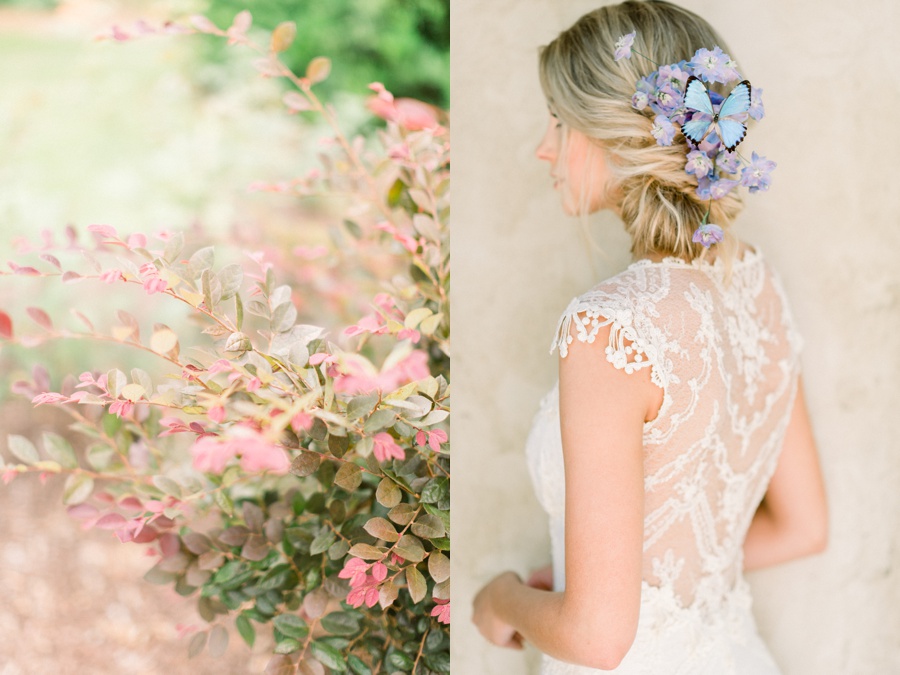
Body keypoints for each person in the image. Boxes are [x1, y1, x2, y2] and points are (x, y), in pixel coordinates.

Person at [470, 1, 829, 672]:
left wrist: (503, 599)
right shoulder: (759, 288)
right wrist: (612, 573)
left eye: (558, 120)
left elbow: (599, 639)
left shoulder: (609, 327)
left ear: (617, 132)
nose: (543, 147)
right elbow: (803, 527)